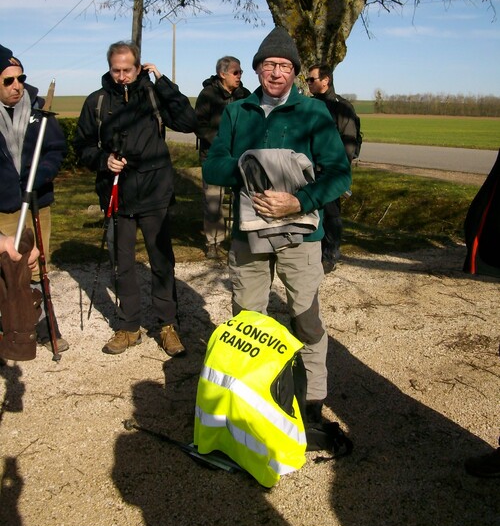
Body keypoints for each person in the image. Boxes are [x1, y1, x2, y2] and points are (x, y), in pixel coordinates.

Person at [202, 26, 351, 425]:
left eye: (285, 65)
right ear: (257, 69)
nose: (276, 72)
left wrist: (298, 200)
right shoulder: (237, 111)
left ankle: (312, 401)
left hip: (301, 235)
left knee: (305, 316)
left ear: (295, 73)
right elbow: (212, 165)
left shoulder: (314, 113)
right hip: (249, 234)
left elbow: (340, 174)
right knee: (248, 318)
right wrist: (246, 167)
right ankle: (251, 396)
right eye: (269, 64)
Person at [74, 40, 198, 356]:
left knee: (161, 262)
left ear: (139, 66)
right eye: (116, 70)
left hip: (155, 190)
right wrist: (104, 161)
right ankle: (129, 327)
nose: (121, 76)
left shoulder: (154, 95)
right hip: (117, 195)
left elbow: (188, 122)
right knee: (123, 265)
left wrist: (165, 84)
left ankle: (167, 326)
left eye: (127, 69)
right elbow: (82, 146)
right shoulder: (97, 102)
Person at [0, 44, 68, 352]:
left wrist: (40, 176)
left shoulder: (39, 107)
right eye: (8, 81)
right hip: (4, 204)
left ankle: (45, 326)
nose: (17, 86)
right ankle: (10, 330)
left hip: (37, 199)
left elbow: (54, 149)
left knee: (39, 263)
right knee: (8, 269)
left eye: (20, 78)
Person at [307, 64, 361, 272]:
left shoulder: (342, 107)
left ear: (325, 80)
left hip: (329, 170)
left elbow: (349, 143)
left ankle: (330, 255)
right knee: (311, 213)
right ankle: (312, 253)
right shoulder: (308, 105)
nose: (308, 83)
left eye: (312, 79)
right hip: (308, 169)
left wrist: (339, 170)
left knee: (331, 214)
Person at [195, 56, 250, 259]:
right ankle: (213, 243)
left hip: (240, 158)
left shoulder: (245, 95)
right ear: (222, 74)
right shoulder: (207, 95)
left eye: (241, 72)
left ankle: (240, 240)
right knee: (213, 202)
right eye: (236, 72)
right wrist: (221, 142)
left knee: (242, 200)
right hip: (213, 157)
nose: (240, 75)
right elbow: (199, 125)